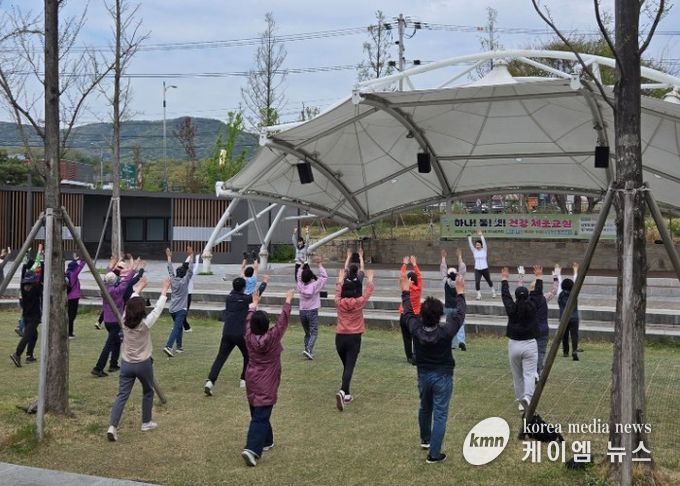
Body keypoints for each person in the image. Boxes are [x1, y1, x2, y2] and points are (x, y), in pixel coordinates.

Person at [401, 271, 466, 464]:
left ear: (422, 314)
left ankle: (426, 439)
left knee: (425, 407)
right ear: (439, 316)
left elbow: (408, 312)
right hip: (443, 377)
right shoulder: (446, 331)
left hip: (423, 376)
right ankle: (434, 454)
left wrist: (405, 292)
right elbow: (460, 315)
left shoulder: (416, 328)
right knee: (440, 414)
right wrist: (460, 293)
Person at [107, 277, 170, 442]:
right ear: (142, 312)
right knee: (148, 391)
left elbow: (130, 302)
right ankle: (146, 422)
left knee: (122, 395)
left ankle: (112, 427)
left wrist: (139, 288)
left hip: (126, 364)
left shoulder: (123, 320)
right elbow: (158, 308)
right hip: (143, 364)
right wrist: (164, 290)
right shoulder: (145, 324)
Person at [240, 288, 294, 467]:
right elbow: (282, 321)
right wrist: (288, 301)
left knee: (258, 410)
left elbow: (248, 319)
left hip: (252, 378)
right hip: (267, 380)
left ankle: (267, 441)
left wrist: (254, 304)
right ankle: (252, 449)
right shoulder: (272, 337)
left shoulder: (248, 336)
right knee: (260, 415)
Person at [204, 275, 268, 396]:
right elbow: (257, 293)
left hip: (227, 332)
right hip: (240, 333)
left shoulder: (229, 298)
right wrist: (264, 282)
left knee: (220, 358)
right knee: (248, 355)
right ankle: (243, 379)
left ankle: (210, 382)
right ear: (244, 288)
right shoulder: (245, 299)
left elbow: (237, 293)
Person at [501, 266, 540, 413]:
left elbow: (505, 296)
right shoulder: (532, 306)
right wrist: (538, 277)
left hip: (514, 344)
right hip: (529, 344)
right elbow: (537, 294)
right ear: (527, 296)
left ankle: (520, 401)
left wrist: (504, 279)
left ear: (516, 297)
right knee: (529, 374)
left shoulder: (512, 308)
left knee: (517, 376)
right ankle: (528, 397)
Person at [334, 269, 375, 411]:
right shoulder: (359, 302)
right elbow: (368, 292)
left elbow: (337, 291)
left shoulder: (339, 302)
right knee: (349, 367)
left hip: (340, 338)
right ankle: (342, 391)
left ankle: (347, 394)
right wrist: (370, 279)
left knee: (347, 366)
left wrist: (340, 279)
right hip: (354, 338)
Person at [92, 264, 135, 377]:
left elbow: (107, 278)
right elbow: (126, 281)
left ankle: (113, 364)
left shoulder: (104, 290)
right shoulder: (118, 291)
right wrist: (134, 269)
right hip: (115, 322)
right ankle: (98, 367)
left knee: (116, 342)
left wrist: (111, 267)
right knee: (109, 345)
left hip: (107, 321)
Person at [518, 264, 560, 377]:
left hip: (530, 330)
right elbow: (554, 290)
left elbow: (520, 290)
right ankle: (537, 371)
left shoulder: (526, 299)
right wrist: (555, 277)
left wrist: (521, 276)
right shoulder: (544, 298)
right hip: (543, 329)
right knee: (540, 351)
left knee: (529, 352)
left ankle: (529, 370)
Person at [9, 249, 44, 368]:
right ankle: (17, 354)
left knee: (34, 335)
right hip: (34, 316)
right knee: (27, 336)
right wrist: (41, 260)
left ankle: (29, 355)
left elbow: (24, 270)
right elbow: (41, 275)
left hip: (26, 314)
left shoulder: (23, 286)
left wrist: (27, 262)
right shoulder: (37, 287)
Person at [163, 246, 194, 357]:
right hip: (181, 310)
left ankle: (179, 347)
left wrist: (169, 257)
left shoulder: (173, 279)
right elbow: (190, 270)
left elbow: (170, 269)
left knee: (179, 327)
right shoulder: (185, 281)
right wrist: (191, 255)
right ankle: (168, 346)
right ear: (184, 274)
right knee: (177, 328)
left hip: (172, 309)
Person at [296, 255, 328, 360]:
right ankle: (308, 350)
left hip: (302, 311)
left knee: (307, 333)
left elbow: (298, 276)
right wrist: (319, 264)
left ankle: (307, 349)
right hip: (312, 311)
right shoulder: (315, 285)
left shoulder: (300, 285)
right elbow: (324, 277)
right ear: (311, 277)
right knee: (314, 332)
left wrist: (301, 265)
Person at [440, 248, 467, 351]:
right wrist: (459, 256)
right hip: (458, 306)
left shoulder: (445, 281)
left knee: (449, 325)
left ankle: (452, 344)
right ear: (456, 274)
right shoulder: (459, 280)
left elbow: (443, 269)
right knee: (460, 324)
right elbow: (462, 268)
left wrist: (443, 257)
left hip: (448, 307)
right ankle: (461, 341)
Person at [399, 255, 422, 364]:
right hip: (415, 315)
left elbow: (401, 276)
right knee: (416, 337)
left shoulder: (405, 288)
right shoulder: (418, 288)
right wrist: (414, 264)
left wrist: (405, 264)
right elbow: (419, 276)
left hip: (404, 314)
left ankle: (409, 356)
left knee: (406, 337)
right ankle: (416, 356)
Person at [558, 262, 580, 361]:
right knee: (574, 335)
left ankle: (565, 352)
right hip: (574, 317)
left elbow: (559, 283)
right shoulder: (574, 293)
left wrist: (558, 273)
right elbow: (577, 282)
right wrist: (575, 271)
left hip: (564, 317)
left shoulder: (560, 293)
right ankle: (574, 350)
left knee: (565, 335)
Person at [468, 229, 496, 300]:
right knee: (477, 282)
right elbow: (470, 245)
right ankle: (479, 295)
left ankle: (493, 291)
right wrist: (469, 237)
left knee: (488, 280)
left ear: (481, 245)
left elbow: (484, 243)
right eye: (476, 245)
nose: (477, 246)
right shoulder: (474, 251)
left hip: (485, 268)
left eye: (478, 245)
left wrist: (481, 235)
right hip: (477, 269)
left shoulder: (484, 250)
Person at [66, 253, 87, 338]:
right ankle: (69, 332)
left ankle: (68, 331)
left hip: (68, 296)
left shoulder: (67, 273)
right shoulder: (73, 274)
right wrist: (83, 259)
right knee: (72, 315)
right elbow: (80, 267)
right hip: (74, 297)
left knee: (68, 314)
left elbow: (75, 266)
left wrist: (74, 260)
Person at [183, 250, 201, 333]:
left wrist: (190, 256)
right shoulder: (190, 274)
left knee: (181, 310)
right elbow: (196, 266)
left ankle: (181, 325)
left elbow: (186, 263)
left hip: (181, 294)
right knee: (184, 311)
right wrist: (196, 258)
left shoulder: (181, 273)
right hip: (188, 294)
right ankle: (186, 327)